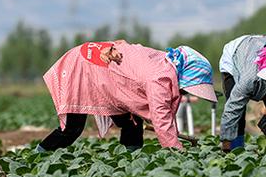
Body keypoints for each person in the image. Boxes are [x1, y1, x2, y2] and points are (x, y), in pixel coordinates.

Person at [40, 40, 216, 151]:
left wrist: (173, 132)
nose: (186, 92)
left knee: (132, 121)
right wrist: (176, 148)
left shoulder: (168, 62)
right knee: (72, 129)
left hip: (111, 78)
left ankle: (130, 158)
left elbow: (165, 113)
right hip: (81, 67)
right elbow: (161, 116)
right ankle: (40, 155)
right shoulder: (159, 78)